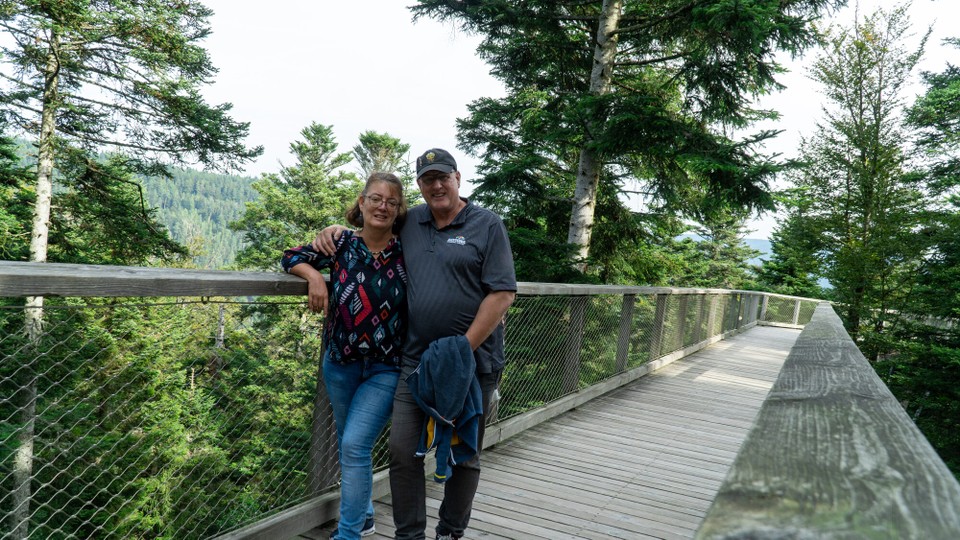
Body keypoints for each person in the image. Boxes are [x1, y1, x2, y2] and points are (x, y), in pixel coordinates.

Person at [315, 148, 517, 540]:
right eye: (428, 179)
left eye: (443, 177)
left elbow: (502, 294)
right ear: (420, 187)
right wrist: (333, 232)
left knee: (465, 454)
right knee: (403, 451)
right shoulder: (413, 221)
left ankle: (450, 531)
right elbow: (373, 223)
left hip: (473, 362)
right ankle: (409, 535)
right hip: (415, 361)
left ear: (458, 177)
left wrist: (462, 349)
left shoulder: (487, 225)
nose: (437, 185)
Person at [282, 172, 409, 540]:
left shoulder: (408, 251)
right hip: (340, 363)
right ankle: (365, 514)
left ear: (399, 209)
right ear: (362, 202)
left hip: (385, 368)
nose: (382, 206)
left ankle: (349, 533)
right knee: (349, 443)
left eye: (391, 201)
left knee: (354, 444)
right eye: (375, 198)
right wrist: (315, 277)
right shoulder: (340, 244)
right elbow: (290, 257)